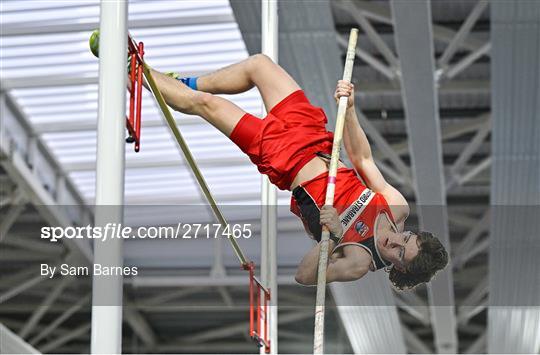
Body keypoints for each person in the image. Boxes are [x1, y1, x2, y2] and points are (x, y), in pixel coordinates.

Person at [90, 34, 447, 289]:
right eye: (406, 240)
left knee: (205, 106)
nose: (396, 244)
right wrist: (350, 111)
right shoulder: (395, 207)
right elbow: (363, 157)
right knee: (260, 65)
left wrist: (332, 237)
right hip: (315, 137)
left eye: (400, 254)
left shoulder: (359, 262)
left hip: (287, 160)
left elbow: (304, 275)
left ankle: (133, 71)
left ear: (398, 269)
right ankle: (179, 83)